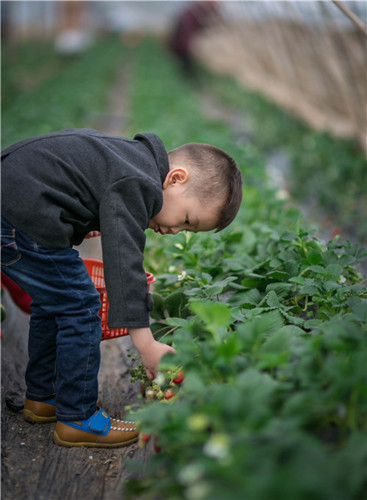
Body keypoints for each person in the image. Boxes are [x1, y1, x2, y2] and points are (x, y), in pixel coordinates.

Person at [1, 128, 242, 448]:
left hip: (14, 202)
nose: (175, 231)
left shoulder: (131, 163)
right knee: (82, 305)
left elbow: (76, 181)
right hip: (20, 212)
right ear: (176, 179)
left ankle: (44, 397)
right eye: (187, 220)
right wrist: (146, 344)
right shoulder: (138, 183)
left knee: (55, 301)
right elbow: (124, 265)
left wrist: (82, 218)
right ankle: (77, 417)